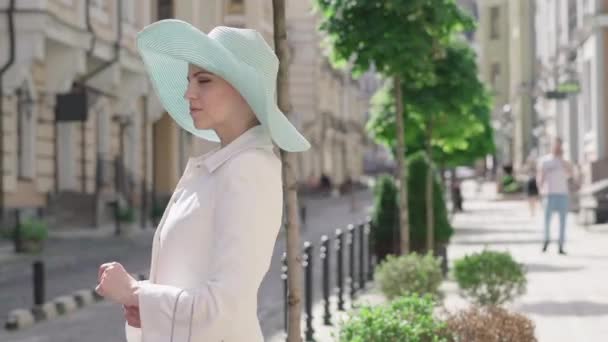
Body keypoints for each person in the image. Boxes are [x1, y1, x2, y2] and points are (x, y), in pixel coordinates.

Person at [94, 20, 310, 342]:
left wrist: (135, 293)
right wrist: (145, 308)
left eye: (204, 80)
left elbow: (225, 307)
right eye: (188, 80)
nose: (188, 93)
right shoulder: (219, 168)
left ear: (243, 88)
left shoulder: (247, 169)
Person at [537, 138, 573, 255]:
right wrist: (540, 190)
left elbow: (570, 174)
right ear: (551, 146)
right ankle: (546, 240)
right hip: (549, 195)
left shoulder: (565, 161)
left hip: (562, 194)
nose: (557, 148)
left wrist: (561, 160)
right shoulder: (545, 161)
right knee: (547, 221)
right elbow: (540, 177)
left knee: (563, 222)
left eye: (559, 146)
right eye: (555, 145)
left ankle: (561, 245)